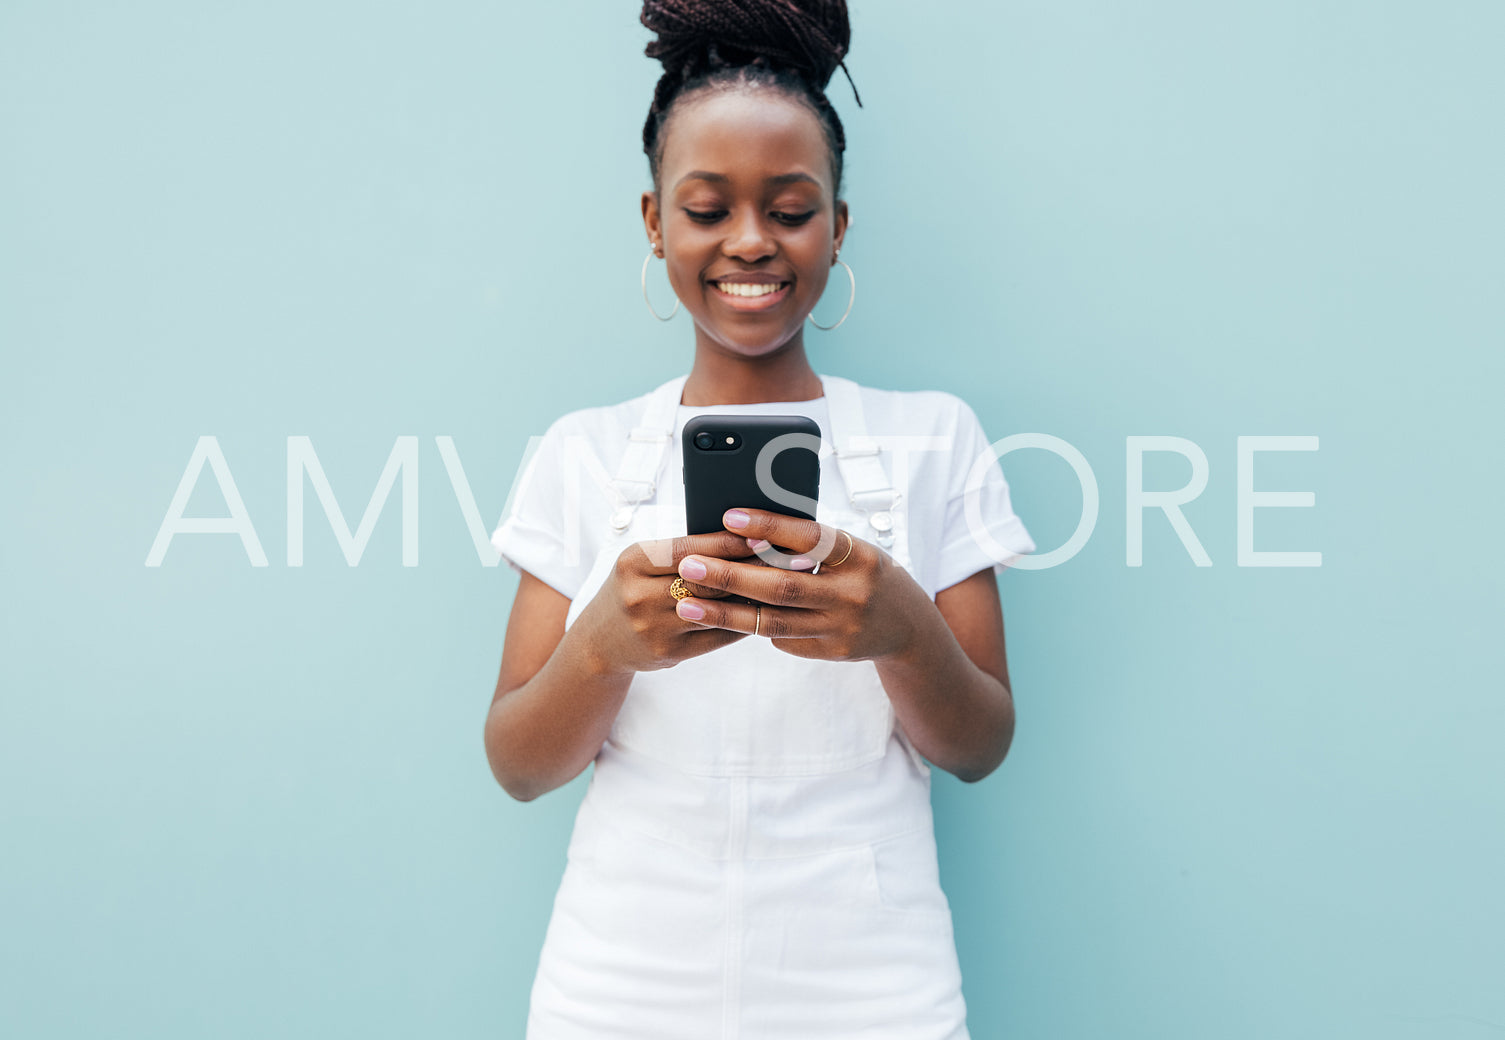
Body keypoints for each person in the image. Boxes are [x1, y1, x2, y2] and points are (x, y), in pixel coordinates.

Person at [483, 2, 1036, 1036]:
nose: (750, 241)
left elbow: (979, 744)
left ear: (837, 222)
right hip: (618, 987)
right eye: (706, 208)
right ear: (653, 220)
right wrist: (602, 644)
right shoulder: (581, 451)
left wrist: (901, 629)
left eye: (789, 208)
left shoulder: (931, 439)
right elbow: (517, 762)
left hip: (875, 990)